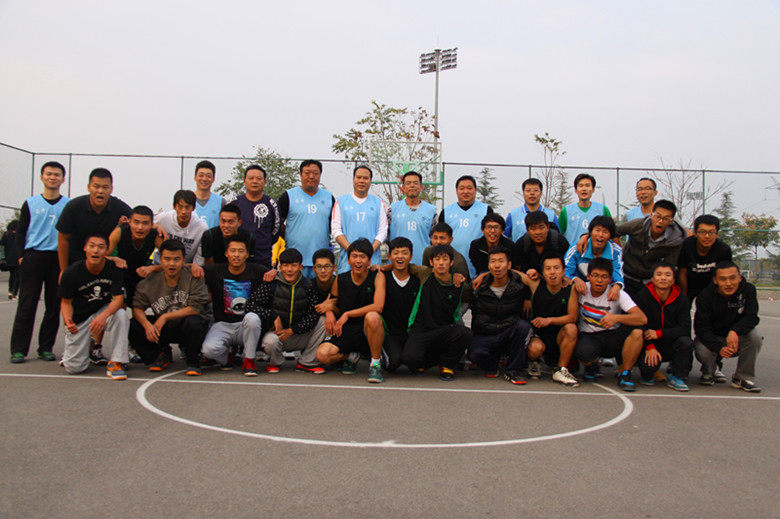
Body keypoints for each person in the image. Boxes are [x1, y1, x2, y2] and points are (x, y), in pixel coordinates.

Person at [9, 161, 69, 363]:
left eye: (57, 174)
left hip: (57, 258)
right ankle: (18, 349)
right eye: (49, 174)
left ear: (63, 179)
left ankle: (45, 348)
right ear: (42, 177)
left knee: (53, 305)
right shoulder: (30, 203)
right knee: (27, 304)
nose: (53, 177)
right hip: (33, 257)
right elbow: (21, 232)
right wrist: (21, 256)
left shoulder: (67, 205)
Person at [129, 240, 209, 376]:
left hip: (186, 326)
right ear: (160, 260)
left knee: (195, 322)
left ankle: (193, 361)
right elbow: (137, 307)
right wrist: (147, 325)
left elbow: (195, 308)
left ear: (183, 260)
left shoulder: (194, 277)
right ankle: (157, 356)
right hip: (161, 329)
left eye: (176, 259)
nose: (172, 263)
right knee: (133, 325)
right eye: (167, 259)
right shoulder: (148, 282)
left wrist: (165, 317)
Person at [58, 234, 129, 380]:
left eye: (101, 247)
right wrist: (68, 320)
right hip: (80, 317)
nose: (96, 250)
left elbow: (118, 299)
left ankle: (117, 362)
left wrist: (103, 317)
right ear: (85, 248)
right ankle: (87, 345)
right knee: (74, 368)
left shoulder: (114, 269)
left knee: (121, 315)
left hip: (102, 311)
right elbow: (66, 303)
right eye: (92, 246)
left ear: (107, 251)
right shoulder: (72, 272)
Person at [316, 239, 386, 383]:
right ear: (348, 260)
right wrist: (329, 313)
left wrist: (347, 314)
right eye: (354, 256)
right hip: (346, 329)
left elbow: (378, 306)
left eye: (362, 257)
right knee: (322, 355)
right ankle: (352, 356)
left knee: (372, 316)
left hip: (368, 329)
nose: (358, 261)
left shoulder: (377, 276)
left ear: (369, 261)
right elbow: (331, 303)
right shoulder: (340, 279)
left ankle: (375, 364)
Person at [247, 248, 326, 374]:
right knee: (269, 342)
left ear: (300, 267)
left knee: (323, 321)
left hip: (299, 334)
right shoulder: (271, 284)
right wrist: (273, 316)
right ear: (280, 267)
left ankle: (307, 362)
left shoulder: (308, 285)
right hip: (277, 335)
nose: (289, 270)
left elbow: (313, 315)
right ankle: (276, 361)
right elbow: (250, 305)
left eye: (294, 265)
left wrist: (293, 330)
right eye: (285, 265)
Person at [573, 257, 648, 392]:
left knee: (637, 332)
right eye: (595, 276)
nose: (599, 280)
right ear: (588, 276)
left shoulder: (618, 293)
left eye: (604, 277)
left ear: (610, 279)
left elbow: (642, 318)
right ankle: (593, 364)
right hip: (589, 335)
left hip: (613, 335)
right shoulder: (581, 290)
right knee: (583, 355)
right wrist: (575, 279)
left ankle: (625, 373)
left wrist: (616, 318)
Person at [402, 244, 473, 381]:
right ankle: (429, 361)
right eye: (437, 259)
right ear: (431, 262)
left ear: (451, 263)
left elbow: (473, 300)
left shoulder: (459, 284)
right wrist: (381, 268)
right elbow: (403, 265)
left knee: (465, 334)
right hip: (421, 329)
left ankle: (447, 364)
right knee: (410, 359)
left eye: (445, 259)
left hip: (444, 329)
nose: (441, 263)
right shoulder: (425, 274)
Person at [201, 234, 266, 376]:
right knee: (208, 351)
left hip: (245, 326)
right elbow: (188, 269)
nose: (236, 255)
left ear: (247, 254)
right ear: (226, 253)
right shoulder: (215, 270)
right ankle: (227, 356)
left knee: (253, 318)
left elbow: (278, 274)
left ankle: (249, 360)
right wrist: (194, 266)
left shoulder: (258, 271)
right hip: (222, 324)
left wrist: (273, 272)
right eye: (233, 250)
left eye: (241, 251)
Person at [466, 246, 532, 385]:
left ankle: (513, 370)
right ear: (488, 265)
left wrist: (528, 298)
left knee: (523, 326)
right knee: (474, 354)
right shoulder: (479, 286)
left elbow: (536, 284)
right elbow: (462, 293)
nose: (497, 265)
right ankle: (493, 363)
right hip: (486, 334)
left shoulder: (519, 286)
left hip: (508, 333)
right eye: (493, 261)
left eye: (501, 261)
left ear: (509, 265)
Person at [693, 261, 762, 392]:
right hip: (714, 338)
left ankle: (742, 377)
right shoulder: (705, 296)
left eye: (732, 278)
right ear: (715, 280)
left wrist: (735, 331)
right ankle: (709, 370)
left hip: (736, 338)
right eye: (723, 279)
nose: (728, 283)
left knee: (755, 336)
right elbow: (701, 328)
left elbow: (752, 317)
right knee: (701, 349)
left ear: (740, 277)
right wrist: (719, 348)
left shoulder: (748, 290)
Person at [56, 167, 132, 272]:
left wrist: (155, 226)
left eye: (105, 187)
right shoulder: (74, 206)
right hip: (76, 262)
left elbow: (138, 221)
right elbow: (63, 239)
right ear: (88, 187)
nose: (100, 191)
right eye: (96, 186)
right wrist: (63, 271)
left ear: (111, 189)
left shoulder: (120, 208)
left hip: (105, 263)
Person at [633, 261, 693, 391]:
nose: (663, 278)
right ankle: (648, 373)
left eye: (668, 275)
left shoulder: (682, 299)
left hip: (671, 342)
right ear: (652, 278)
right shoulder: (643, 295)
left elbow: (685, 328)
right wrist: (649, 346)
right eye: (659, 274)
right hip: (650, 343)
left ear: (673, 280)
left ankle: (677, 377)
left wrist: (660, 333)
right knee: (647, 371)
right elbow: (639, 324)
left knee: (686, 342)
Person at [521, 253, 580, 387]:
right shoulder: (536, 284)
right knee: (535, 349)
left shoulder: (570, 289)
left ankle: (561, 370)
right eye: (548, 269)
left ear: (563, 271)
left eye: (556, 268)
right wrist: (483, 275)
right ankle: (533, 361)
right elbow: (513, 273)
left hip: (559, 335)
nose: (552, 272)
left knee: (571, 328)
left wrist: (549, 320)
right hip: (539, 335)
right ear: (542, 272)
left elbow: (572, 317)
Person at [614, 200, 686, 297]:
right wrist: (619, 250)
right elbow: (613, 231)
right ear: (651, 215)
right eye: (658, 216)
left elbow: (669, 265)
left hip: (649, 280)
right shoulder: (637, 225)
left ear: (671, 221)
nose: (660, 221)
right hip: (627, 274)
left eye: (666, 218)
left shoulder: (675, 239)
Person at [277, 160, 334, 279]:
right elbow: (278, 223)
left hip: (320, 262)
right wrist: (289, 236)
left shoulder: (329, 197)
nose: (311, 176)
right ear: (300, 174)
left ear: (320, 175)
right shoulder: (288, 196)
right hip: (295, 262)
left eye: (315, 173)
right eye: (307, 173)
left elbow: (332, 226)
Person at [331, 165, 388, 274]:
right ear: (353, 179)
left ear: (370, 181)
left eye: (365, 178)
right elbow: (336, 230)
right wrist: (352, 252)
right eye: (359, 177)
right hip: (347, 262)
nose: (362, 181)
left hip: (372, 261)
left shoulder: (378, 203)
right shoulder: (341, 202)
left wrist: (368, 252)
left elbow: (383, 231)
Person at [378, 237, 422, 372]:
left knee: (414, 362)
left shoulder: (418, 280)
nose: (400, 256)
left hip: (411, 333)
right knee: (393, 363)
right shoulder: (382, 278)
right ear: (389, 256)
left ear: (411, 256)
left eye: (404, 253)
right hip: (390, 333)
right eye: (396, 253)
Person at [107, 205, 163, 305]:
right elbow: (102, 256)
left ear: (152, 224)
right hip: (120, 274)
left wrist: (153, 268)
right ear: (129, 222)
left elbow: (170, 262)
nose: (140, 227)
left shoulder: (156, 236)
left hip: (142, 275)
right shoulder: (120, 232)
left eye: (145, 223)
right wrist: (114, 258)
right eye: (136, 222)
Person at [439, 175, 494, 277]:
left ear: (475, 190)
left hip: (479, 264)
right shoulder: (446, 212)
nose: (465, 191)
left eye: (469, 188)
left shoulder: (486, 210)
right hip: (453, 264)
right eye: (462, 188)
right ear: (456, 191)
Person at [231, 165, 281, 268]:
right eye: (251, 178)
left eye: (259, 178)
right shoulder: (234, 203)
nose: (255, 181)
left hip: (263, 259)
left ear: (265, 182)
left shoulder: (272, 204)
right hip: (236, 260)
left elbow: (275, 231)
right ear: (244, 181)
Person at [565, 215, 624, 299]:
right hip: (578, 291)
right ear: (590, 232)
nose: (600, 235)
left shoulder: (615, 251)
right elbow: (566, 270)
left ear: (610, 235)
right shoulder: (577, 248)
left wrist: (617, 285)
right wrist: (575, 279)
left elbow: (617, 273)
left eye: (605, 232)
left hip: (603, 293)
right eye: (597, 230)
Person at [152, 190, 208, 277]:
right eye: (180, 207)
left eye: (187, 207)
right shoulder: (164, 218)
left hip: (186, 269)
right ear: (174, 206)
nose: (183, 211)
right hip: (159, 266)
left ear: (193, 208)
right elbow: (145, 224)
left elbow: (198, 261)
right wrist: (157, 226)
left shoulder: (202, 228)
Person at [677, 214, 732, 302]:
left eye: (711, 232)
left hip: (711, 289)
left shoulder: (723, 250)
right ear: (695, 233)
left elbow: (725, 274)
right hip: (689, 287)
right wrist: (683, 298)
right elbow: (682, 274)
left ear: (717, 234)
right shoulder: (686, 246)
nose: (707, 236)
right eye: (702, 232)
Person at [388, 171, 437, 266]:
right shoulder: (392, 209)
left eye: (415, 183)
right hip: (397, 265)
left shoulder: (431, 211)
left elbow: (434, 239)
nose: (412, 185)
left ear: (421, 187)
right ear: (403, 188)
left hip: (422, 265)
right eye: (408, 183)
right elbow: (386, 236)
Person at [558, 173, 612, 245]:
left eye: (587, 185)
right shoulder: (566, 211)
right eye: (581, 186)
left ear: (593, 190)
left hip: (597, 251)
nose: (584, 189)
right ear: (576, 190)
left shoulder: (603, 209)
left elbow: (611, 233)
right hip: (574, 251)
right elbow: (558, 234)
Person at [513, 211, 569, 279]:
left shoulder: (558, 240)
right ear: (527, 230)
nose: (538, 232)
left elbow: (569, 266)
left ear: (548, 227)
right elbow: (516, 270)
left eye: (541, 227)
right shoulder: (522, 244)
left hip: (556, 280)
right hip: (530, 281)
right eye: (533, 228)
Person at [192, 160, 225, 229]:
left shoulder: (221, 202)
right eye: (201, 175)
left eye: (208, 176)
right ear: (195, 177)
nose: (204, 179)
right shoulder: (187, 200)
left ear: (213, 179)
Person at [1, 220, 20, 299]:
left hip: (9, 259)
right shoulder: (20, 235)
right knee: (17, 277)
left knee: (12, 276)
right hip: (18, 258)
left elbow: (2, 243)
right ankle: (15, 293)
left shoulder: (7, 234)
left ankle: (10, 291)